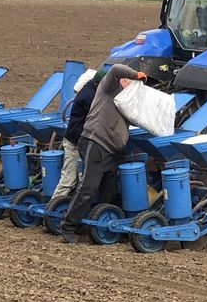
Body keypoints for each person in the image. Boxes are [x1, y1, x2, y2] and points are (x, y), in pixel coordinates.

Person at [60, 63, 147, 243]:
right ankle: (68, 226)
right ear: (122, 80)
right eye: (127, 80)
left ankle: (97, 226)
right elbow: (115, 68)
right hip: (96, 142)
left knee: (109, 191)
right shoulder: (107, 89)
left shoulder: (126, 100)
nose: (129, 83)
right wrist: (135, 73)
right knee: (88, 188)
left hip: (113, 150)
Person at [51, 71, 101, 201]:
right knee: (69, 180)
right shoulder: (89, 97)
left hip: (80, 141)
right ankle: (52, 208)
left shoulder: (89, 89)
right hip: (75, 143)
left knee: (80, 180)